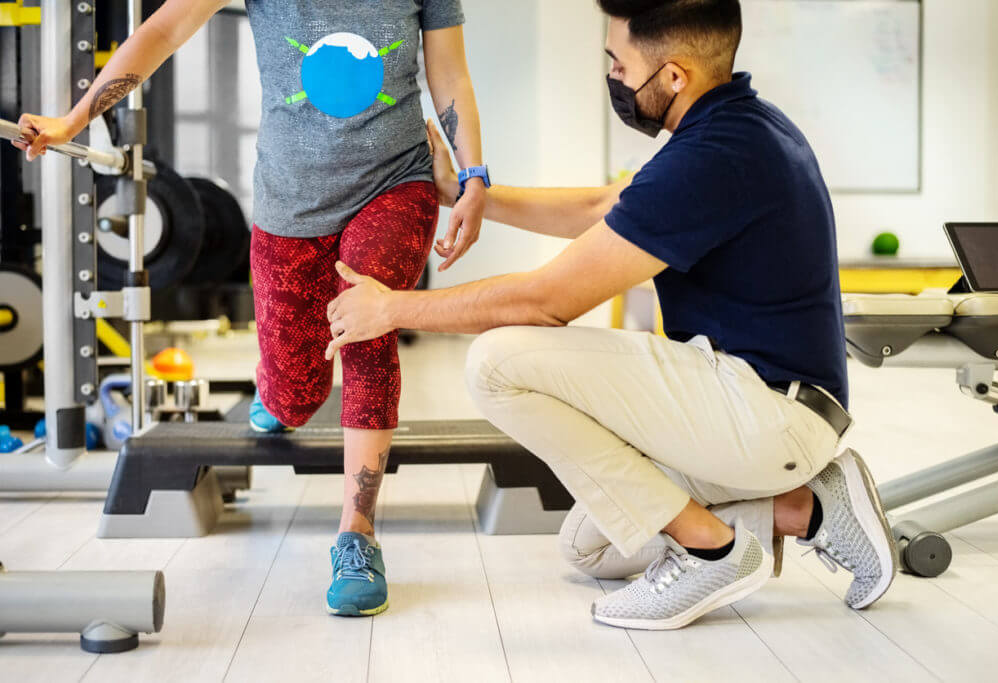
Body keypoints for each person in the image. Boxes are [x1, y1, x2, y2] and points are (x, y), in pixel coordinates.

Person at [323, 0, 897, 630]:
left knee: (496, 363)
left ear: (674, 76)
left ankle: (713, 552)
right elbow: (602, 205)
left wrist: (394, 307)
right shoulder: (735, 126)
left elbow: (544, 302)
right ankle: (812, 508)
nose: (616, 78)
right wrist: (465, 194)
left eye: (619, 63)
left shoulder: (718, 157)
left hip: (768, 414)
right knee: (591, 546)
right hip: (756, 406)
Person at [13, 0, 489, 618]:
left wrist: (474, 173)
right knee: (295, 395)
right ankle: (279, 392)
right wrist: (76, 120)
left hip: (397, 182)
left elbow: (450, 73)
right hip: (288, 202)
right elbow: (165, 28)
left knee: (371, 319)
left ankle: (357, 536)